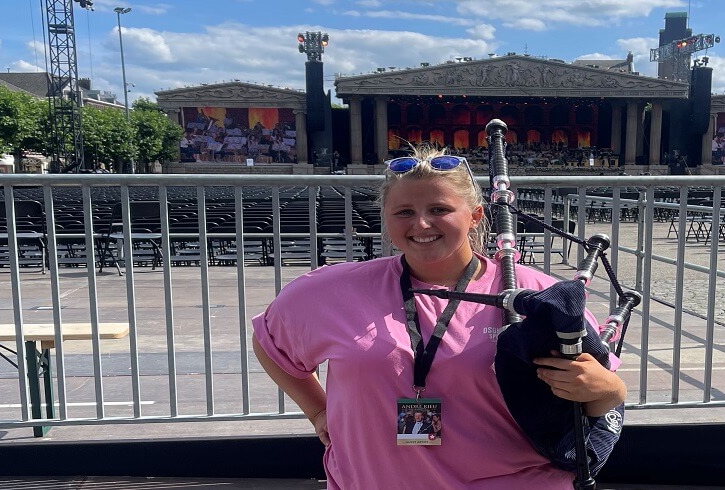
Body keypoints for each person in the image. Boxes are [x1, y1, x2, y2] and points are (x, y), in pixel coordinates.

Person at [253, 144, 626, 489]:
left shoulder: (538, 297)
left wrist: (610, 390)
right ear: (386, 218)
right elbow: (270, 343)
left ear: (475, 216)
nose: (422, 224)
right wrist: (318, 410)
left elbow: (594, 407)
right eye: (404, 212)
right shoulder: (331, 291)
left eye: (439, 210)